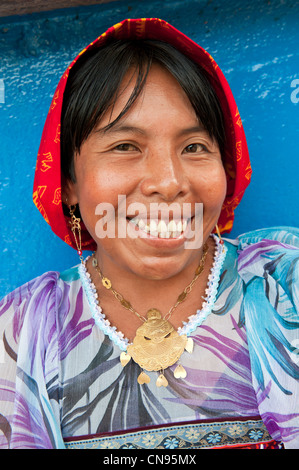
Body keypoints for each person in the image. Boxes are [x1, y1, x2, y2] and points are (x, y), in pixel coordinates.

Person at [0, 18, 298, 450]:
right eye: (125, 147)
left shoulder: (284, 291)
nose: (168, 180)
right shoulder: (19, 333)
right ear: (68, 180)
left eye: (194, 147)